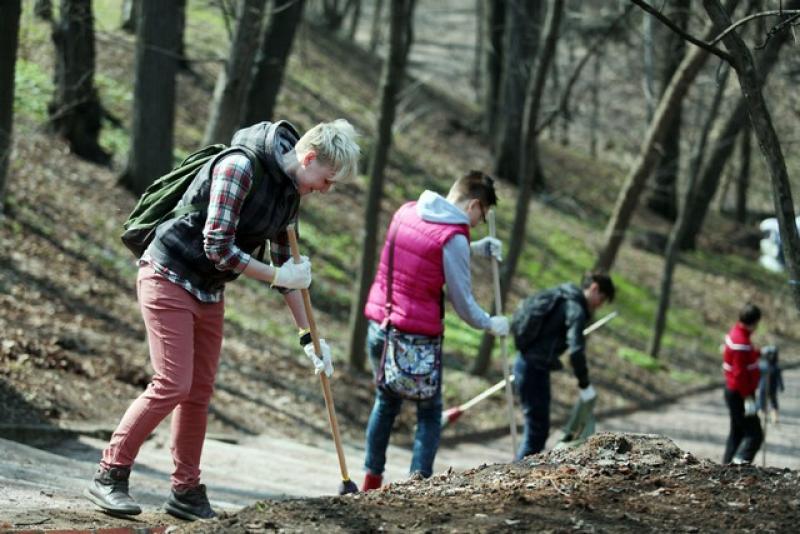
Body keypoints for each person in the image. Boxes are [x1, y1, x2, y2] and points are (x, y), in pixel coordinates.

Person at [84, 119, 361, 520]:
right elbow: (218, 246)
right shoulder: (240, 167)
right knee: (172, 384)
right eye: (327, 179)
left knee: (198, 392)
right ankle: (109, 474)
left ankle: (186, 492)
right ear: (309, 157)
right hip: (168, 274)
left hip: (209, 290)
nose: (327, 189)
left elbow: (289, 273)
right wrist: (278, 275)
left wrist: (310, 339)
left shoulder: (288, 197)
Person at [360, 171, 509, 491]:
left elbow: (425, 250)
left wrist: (475, 247)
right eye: (480, 218)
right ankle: (418, 486)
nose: (476, 225)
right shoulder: (454, 236)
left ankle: (371, 480)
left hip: (380, 327)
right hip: (416, 340)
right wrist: (490, 322)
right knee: (429, 413)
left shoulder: (408, 211)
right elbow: (462, 301)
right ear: (474, 205)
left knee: (385, 403)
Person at [512, 272, 615, 460]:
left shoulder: (563, 296)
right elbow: (576, 350)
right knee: (537, 433)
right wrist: (584, 384)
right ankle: (514, 477)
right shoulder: (576, 308)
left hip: (528, 364)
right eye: (602, 299)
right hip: (533, 369)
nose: (599, 305)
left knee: (538, 430)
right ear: (594, 288)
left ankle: (517, 475)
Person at [722, 303, 764, 465]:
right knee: (755, 434)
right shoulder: (740, 343)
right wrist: (747, 398)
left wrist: (761, 353)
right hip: (740, 393)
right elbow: (739, 374)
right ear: (755, 322)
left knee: (737, 433)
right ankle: (738, 468)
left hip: (735, 391)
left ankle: (725, 469)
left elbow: (747, 356)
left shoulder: (737, 334)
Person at [758, 345, 784, 424]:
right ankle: (763, 416)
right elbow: (779, 379)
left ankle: (770, 417)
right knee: (767, 402)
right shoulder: (765, 366)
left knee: (769, 402)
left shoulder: (763, 366)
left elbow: (779, 378)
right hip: (768, 388)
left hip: (767, 388)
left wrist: (781, 386)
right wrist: (781, 386)